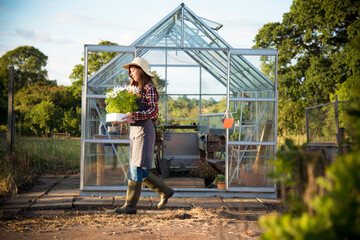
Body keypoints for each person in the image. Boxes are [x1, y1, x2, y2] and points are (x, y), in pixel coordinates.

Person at [114, 57, 174, 214]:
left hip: (144, 131)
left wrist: (133, 115)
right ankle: (165, 191)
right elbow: (132, 112)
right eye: (130, 70)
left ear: (141, 71)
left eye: (133, 70)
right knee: (136, 168)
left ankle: (130, 205)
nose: (130, 73)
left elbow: (153, 111)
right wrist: (122, 118)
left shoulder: (149, 88)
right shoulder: (134, 90)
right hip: (135, 130)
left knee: (135, 167)